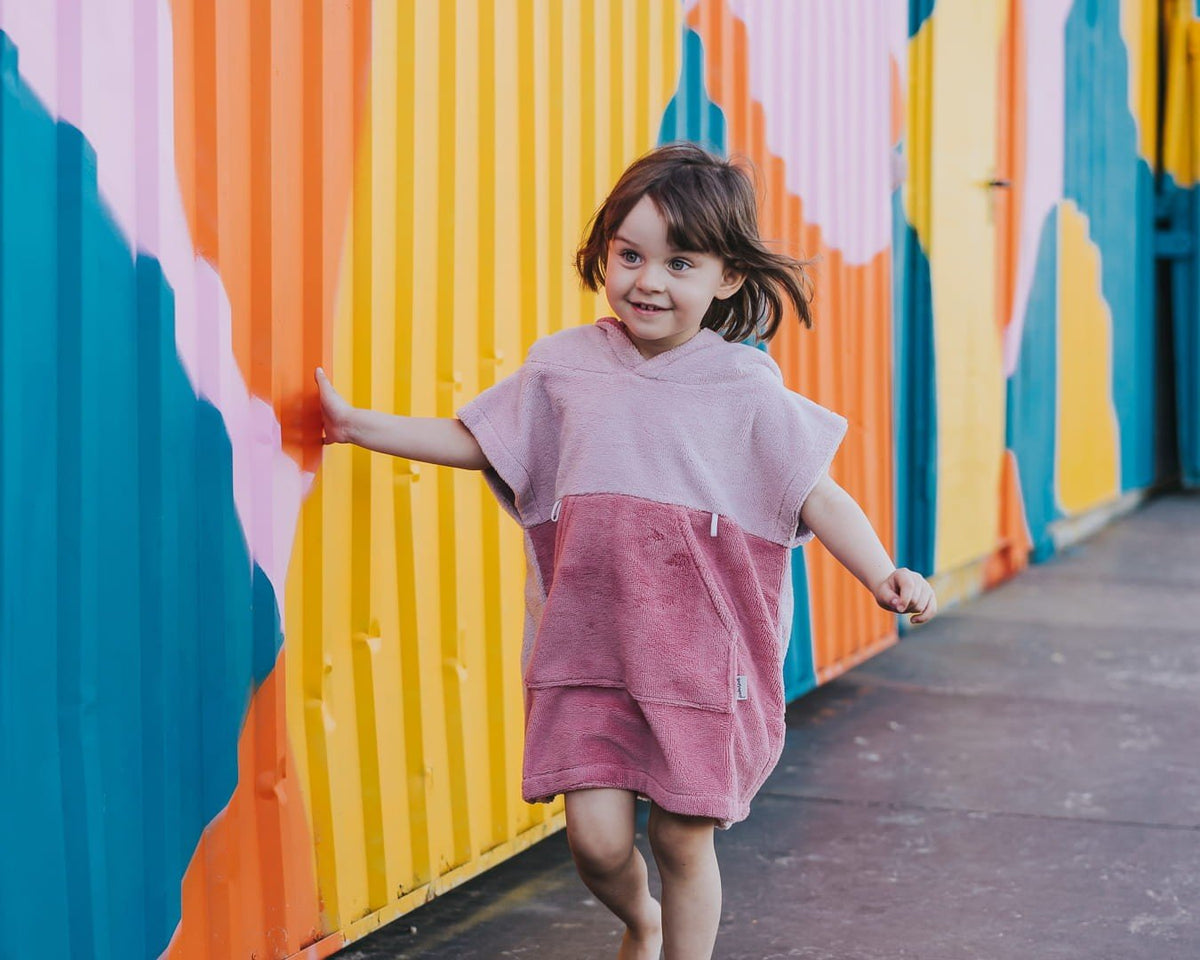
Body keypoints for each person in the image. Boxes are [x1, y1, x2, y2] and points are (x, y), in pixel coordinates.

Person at [315, 142, 937, 960]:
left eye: (679, 262)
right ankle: (638, 918)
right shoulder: (566, 368)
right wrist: (358, 425)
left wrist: (884, 571)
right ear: (604, 254)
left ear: (727, 279)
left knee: (684, 839)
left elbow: (815, 492)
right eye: (630, 254)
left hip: (699, 661)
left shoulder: (744, 388)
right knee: (597, 843)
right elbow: (481, 439)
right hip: (590, 649)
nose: (648, 280)